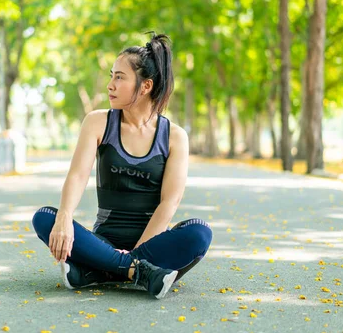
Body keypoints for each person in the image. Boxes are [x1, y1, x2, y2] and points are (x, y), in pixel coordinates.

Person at [32, 33, 212, 299]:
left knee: (199, 233)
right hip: (102, 243)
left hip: (152, 245)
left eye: (119, 77)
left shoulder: (174, 136)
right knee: (46, 217)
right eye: (111, 76)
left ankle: (101, 271)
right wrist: (64, 219)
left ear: (145, 86)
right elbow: (78, 175)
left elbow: (169, 203)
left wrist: (137, 252)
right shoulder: (98, 122)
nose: (110, 85)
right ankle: (141, 273)